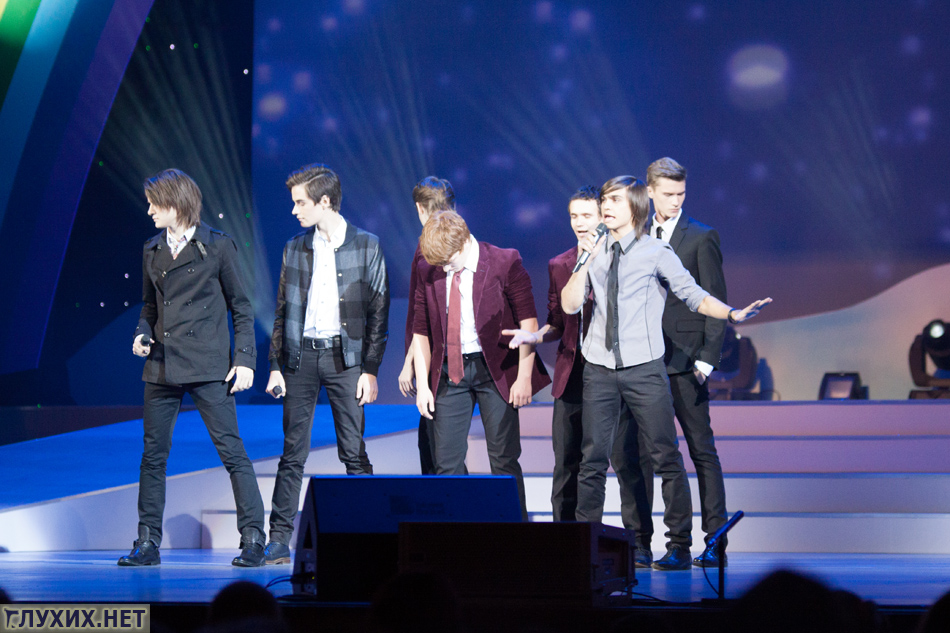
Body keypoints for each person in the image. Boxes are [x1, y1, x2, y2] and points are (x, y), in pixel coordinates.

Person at [561, 176, 770, 570]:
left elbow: (693, 295)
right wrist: (584, 260)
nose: (606, 207)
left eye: (615, 200)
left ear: (636, 206)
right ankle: (586, 545)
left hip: (643, 367)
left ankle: (678, 545)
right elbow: (570, 305)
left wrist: (732, 313)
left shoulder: (656, 251)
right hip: (600, 368)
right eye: (604, 200)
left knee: (665, 456)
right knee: (593, 460)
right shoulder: (594, 247)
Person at [121, 169, 265, 567]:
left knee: (232, 451)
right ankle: (147, 543)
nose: (149, 211)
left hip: (208, 365)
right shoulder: (151, 248)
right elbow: (149, 306)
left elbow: (241, 307)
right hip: (161, 365)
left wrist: (245, 360)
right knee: (153, 456)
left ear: (176, 204)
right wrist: (141, 333)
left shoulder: (217, 246)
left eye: (155, 204)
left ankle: (253, 538)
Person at [502, 187, 651, 564]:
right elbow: (556, 321)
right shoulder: (560, 264)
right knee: (567, 464)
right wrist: (535, 336)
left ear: (604, 217)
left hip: (617, 374)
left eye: (587, 216)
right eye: (574, 216)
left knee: (626, 461)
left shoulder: (627, 256)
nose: (580, 223)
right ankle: (567, 544)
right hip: (574, 374)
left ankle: (639, 543)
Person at [263, 164, 390, 564]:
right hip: (300, 357)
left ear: (325, 201)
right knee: (292, 452)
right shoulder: (295, 247)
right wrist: (275, 364)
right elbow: (282, 311)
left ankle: (370, 535)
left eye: (301, 203)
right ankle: (278, 540)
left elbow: (379, 313)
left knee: (353, 450)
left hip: (345, 359)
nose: (294, 210)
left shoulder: (366, 245)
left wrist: (370, 369)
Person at [410, 210, 550, 519]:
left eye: (448, 262)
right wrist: (423, 386)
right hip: (450, 371)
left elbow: (528, 321)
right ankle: (457, 533)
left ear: (463, 243)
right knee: (446, 462)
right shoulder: (428, 269)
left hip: (496, 368)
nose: (443, 268)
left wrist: (524, 377)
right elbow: (421, 331)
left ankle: (514, 533)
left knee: (503, 459)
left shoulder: (504, 261)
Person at [642, 157, 731, 568]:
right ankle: (674, 544)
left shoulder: (701, 236)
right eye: (668, 194)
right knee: (656, 455)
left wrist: (708, 360)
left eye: (680, 193)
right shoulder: (638, 234)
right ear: (650, 192)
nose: (676, 201)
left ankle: (715, 542)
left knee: (701, 451)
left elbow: (716, 299)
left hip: (688, 361)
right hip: (645, 361)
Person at [397, 177, 456, 475]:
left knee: (437, 449)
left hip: (436, 360)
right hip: (437, 355)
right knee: (433, 442)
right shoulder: (456, 240)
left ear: (420, 208)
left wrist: (410, 362)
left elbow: (426, 317)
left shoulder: (429, 246)